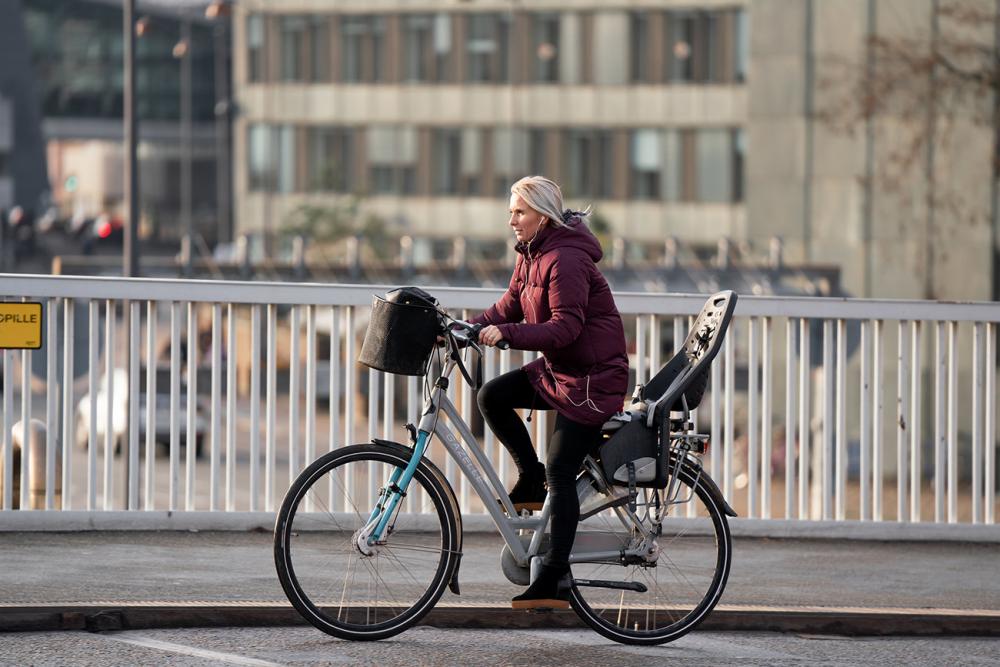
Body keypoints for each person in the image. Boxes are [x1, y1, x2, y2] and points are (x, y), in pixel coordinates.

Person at [472, 175, 628, 610]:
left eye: (519, 212)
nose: (512, 221)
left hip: (593, 382)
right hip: (562, 372)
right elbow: (508, 305)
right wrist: (466, 328)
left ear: (542, 214)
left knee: (562, 470)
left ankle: (556, 576)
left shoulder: (565, 259)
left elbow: (566, 328)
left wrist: (505, 334)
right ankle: (530, 476)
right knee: (493, 397)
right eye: (510, 212)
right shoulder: (532, 254)